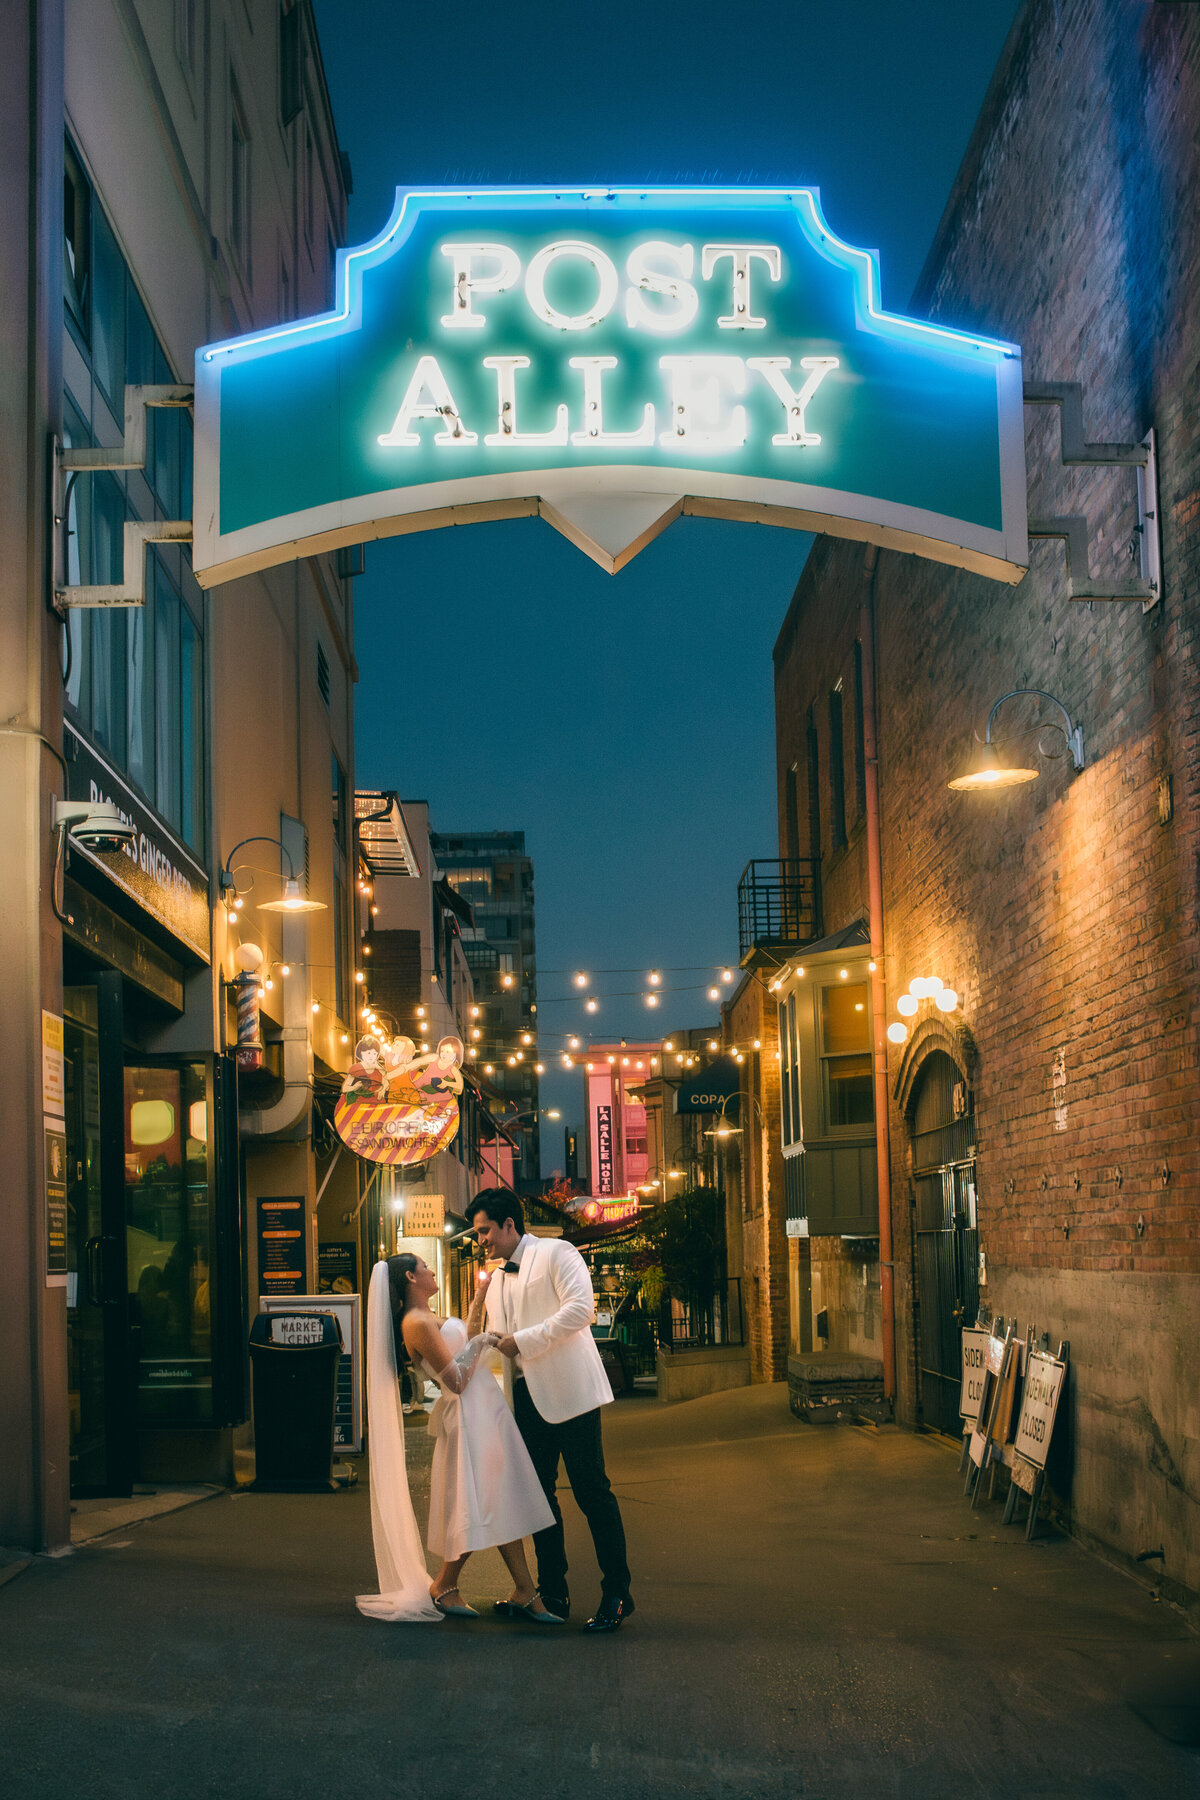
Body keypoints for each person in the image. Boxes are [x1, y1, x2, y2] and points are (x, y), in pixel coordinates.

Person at [355, 1252, 563, 1626]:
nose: (432, 1270)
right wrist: (484, 1340)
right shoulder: (415, 1322)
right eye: (425, 1267)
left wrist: (479, 1301)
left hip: (484, 1412)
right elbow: (455, 1380)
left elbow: (463, 1343)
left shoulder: (427, 1316)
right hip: (469, 1417)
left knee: (495, 1500)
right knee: (484, 1502)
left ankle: (492, 1588)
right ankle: (471, 1587)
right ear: (410, 1277)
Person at [471, 1188, 635, 1634]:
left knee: (591, 1493)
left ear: (509, 1224)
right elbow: (495, 1343)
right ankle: (553, 1593)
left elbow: (581, 1311)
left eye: (485, 1230)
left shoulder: (558, 1252)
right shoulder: (498, 1278)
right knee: (539, 1498)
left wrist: (522, 1341)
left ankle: (618, 1593)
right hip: (525, 1400)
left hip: (572, 1394)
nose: (480, 1240)